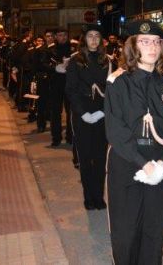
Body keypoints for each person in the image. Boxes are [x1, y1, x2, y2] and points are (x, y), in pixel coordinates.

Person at [104, 20, 163, 264]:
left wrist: (162, 164)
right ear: (133, 46)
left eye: (156, 42)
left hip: (161, 168)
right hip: (127, 165)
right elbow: (116, 130)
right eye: (145, 41)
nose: (152, 46)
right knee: (126, 234)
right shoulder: (118, 83)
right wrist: (143, 164)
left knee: (154, 234)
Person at [65, 24, 111, 210]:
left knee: (100, 158)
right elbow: (71, 89)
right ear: (84, 39)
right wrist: (83, 113)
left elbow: (111, 89)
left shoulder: (107, 61)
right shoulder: (75, 61)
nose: (93, 39)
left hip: (101, 113)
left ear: (101, 40)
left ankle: (98, 196)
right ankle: (88, 197)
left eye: (97, 36)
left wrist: (102, 111)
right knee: (85, 158)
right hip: (82, 114)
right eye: (90, 36)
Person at [47, 28, 76, 147]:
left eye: (64, 35)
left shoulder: (74, 49)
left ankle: (70, 136)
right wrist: (55, 68)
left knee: (71, 112)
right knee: (55, 112)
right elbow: (44, 65)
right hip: (56, 84)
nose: (62, 37)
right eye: (60, 35)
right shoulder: (51, 50)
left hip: (70, 84)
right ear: (55, 37)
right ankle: (56, 137)